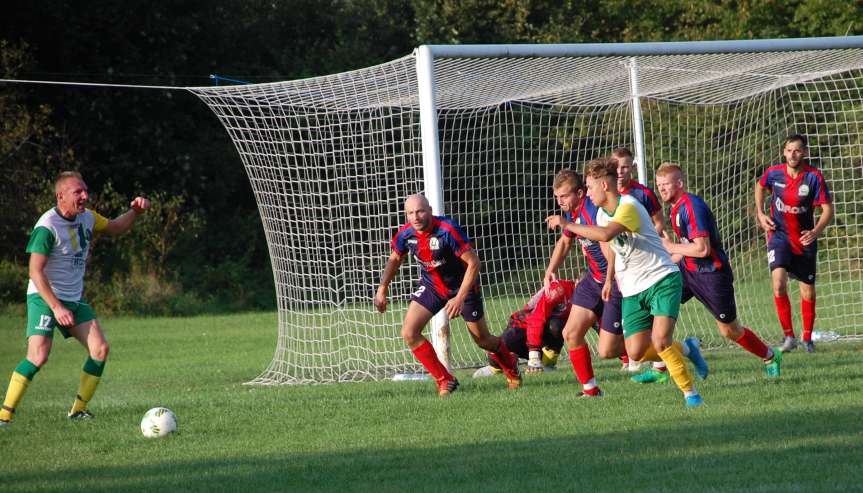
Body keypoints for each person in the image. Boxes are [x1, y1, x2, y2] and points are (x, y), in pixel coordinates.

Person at [546, 158, 708, 407]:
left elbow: (606, 236)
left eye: (590, 187)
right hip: (629, 287)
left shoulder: (628, 206)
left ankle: (691, 395)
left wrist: (568, 226)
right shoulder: (600, 212)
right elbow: (602, 244)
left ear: (604, 186)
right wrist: (605, 277)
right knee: (633, 352)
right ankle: (686, 349)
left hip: (660, 278)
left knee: (661, 340)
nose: (588, 193)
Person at [0, 172, 150, 427]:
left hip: (72, 299)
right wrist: (56, 307)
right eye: (77, 192)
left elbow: (116, 227)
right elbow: (35, 271)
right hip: (44, 297)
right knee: (38, 356)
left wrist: (135, 212)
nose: (84, 196)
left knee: (100, 350)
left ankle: (78, 411)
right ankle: (4, 416)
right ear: (61, 196)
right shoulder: (47, 226)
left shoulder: (88, 217)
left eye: (85, 191)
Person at [374, 194, 521, 397]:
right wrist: (382, 288)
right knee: (409, 332)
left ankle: (510, 363)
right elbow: (395, 258)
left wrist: (459, 297)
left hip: (464, 287)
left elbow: (474, 263)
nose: (415, 217)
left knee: (483, 340)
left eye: (420, 211)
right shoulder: (405, 234)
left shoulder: (448, 230)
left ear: (430, 210)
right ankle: (445, 380)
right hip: (432, 287)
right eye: (410, 213)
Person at [654, 163, 782, 380]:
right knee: (657, 307)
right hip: (688, 271)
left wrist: (670, 247)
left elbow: (702, 249)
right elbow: (687, 249)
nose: (662, 190)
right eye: (659, 185)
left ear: (680, 183)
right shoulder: (676, 208)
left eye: (666, 184)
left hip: (711, 275)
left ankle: (770, 355)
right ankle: (660, 369)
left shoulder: (691, 207)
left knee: (729, 330)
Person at [543, 168, 626, 397]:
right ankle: (590, 390)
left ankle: (664, 349)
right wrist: (550, 271)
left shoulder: (592, 211)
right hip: (593, 279)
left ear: (580, 193)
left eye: (565, 196)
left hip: (614, 279)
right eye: (557, 197)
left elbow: (609, 249)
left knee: (610, 349)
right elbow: (564, 243)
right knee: (571, 333)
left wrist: (609, 280)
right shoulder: (571, 213)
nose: (560, 202)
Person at [754, 135, 834, 353]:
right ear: (784, 152)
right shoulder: (773, 173)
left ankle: (807, 338)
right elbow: (759, 187)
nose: (792, 155)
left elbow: (828, 210)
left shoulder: (813, 177)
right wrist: (760, 214)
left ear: (804, 153)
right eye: (789, 150)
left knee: (807, 291)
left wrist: (816, 231)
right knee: (778, 283)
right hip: (778, 236)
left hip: (803, 240)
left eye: (797, 151)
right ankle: (789, 337)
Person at [613, 147, 668, 379]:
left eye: (625, 167)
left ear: (632, 168)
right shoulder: (605, 196)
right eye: (616, 167)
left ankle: (659, 367)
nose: (620, 171)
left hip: (648, 261)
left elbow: (658, 221)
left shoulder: (642, 194)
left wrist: (644, 237)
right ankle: (635, 357)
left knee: (656, 311)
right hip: (625, 263)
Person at [472, 279, 573, 378]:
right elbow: (535, 320)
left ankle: (547, 365)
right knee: (501, 347)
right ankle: (496, 367)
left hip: (545, 338)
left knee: (556, 325)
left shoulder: (586, 298)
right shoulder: (558, 290)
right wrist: (534, 357)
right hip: (524, 327)